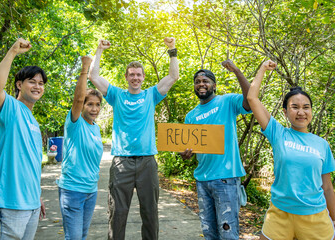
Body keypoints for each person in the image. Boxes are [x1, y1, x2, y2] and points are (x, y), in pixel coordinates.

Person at [89, 37, 179, 240]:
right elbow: (93, 76)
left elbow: (173, 76)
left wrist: (172, 49)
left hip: (147, 161)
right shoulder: (116, 95)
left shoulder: (151, 95)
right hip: (122, 162)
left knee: (150, 213)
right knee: (117, 213)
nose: (135, 78)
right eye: (131, 75)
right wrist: (99, 50)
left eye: (138, 74)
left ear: (143, 77)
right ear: (126, 77)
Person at [247, 60, 335, 240]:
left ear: (311, 111)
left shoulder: (322, 145)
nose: (301, 112)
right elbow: (252, 99)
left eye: (306, 107)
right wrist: (263, 68)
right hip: (280, 214)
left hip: (315, 217)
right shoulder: (278, 133)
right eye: (294, 107)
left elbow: (327, 187)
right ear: (286, 112)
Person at [180, 60, 251, 239]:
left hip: (226, 178)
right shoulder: (191, 116)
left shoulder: (227, 101)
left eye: (205, 81)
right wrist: (185, 154)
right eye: (197, 82)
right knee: (209, 233)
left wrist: (237, 70)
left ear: (214, 85)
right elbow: (189, 151)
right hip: (202, 180)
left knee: (227, 233)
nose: (201, 84)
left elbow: (251, 100)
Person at [0, 38, 46, 239]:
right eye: (32, 81)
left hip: (30, 205)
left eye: (41, 83)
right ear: (19, 85)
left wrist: (36, 195)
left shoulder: (33, 121)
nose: (37, 86)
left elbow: (30, 163)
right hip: (8, 204)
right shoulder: (11, 108)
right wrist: (12, 51)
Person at [57, 56, 104, 239]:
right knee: (74, 237)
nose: (94, 108)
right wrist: (85, 69)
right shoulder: (75, 123)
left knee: (82, 235)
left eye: (98, 105)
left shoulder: (96, 128)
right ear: (82, 105)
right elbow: (76, 100)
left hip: (90, 191)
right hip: (72, 190)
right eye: (89, 104)